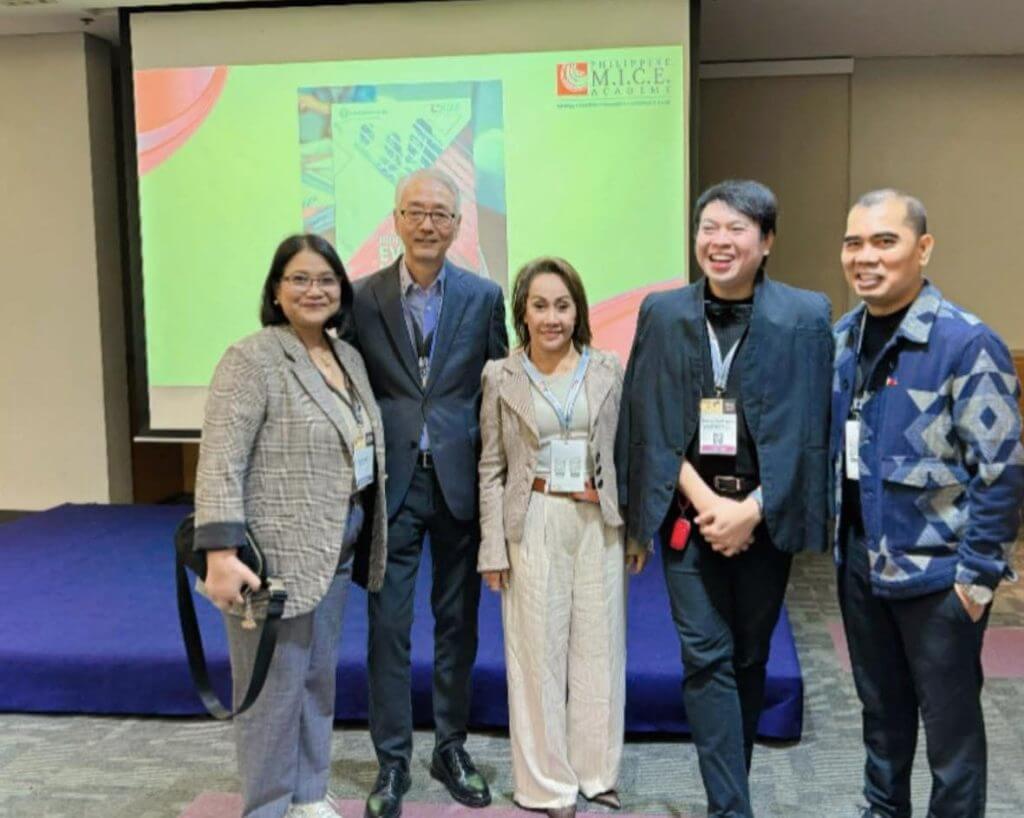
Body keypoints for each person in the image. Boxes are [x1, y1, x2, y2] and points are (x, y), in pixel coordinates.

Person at [615, 180, 833, 818]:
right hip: (691, 517)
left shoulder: (805, 315)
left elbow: (810, 429)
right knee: (705, 657)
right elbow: (647, 418)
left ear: (766, 242)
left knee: (749, 655)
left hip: (766, 515)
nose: (719, 241)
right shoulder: (663, 312)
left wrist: (752, 509)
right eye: (708, 228)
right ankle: (731, 810)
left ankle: (727, 801)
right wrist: (705, 500)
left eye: (737, 229)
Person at [832, 189, 1024, 818]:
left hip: (940, 580)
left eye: (884, 241)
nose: (866, 257)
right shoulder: (842, 340)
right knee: (881, 724)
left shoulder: (965, 344)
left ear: (923, 248)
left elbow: (1001, 473)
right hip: (861, 565)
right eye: (854, 243)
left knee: (951, 739)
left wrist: (975, 580)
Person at [194, 234, 388, 818]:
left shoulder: (346, 356)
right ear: (277, 291)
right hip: (269, 561)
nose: (314, 290)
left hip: (334, 545)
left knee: (314, 680)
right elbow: (221, 458)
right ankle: (269, 805)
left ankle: (307, 792)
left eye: (326, 279)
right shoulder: (251, 358)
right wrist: (220, 552)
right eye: (299, 279)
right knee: (270, 694)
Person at [350, 167, 508, 818]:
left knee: (458, 626)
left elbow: (498, 386)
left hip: (459, 483)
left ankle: (450, 747)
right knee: (388, 629)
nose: (427, 224)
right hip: (390, 487)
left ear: (458, 224)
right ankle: (390, 762)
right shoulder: (360, 298)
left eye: (441, 213)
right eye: (415, 211)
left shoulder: (482, 295)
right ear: (395, 220)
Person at [477, 257, 641, 818]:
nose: (552, 317)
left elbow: (624, 455)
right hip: (535, 519)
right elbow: (491, 468)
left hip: (597, 520)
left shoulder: (607, 369)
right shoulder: (501, 374)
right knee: (536, 656)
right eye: (540, 304)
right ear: (522, 309)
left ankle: (596, 774)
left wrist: (634, 528)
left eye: (563, 304)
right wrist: (492, 547)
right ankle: (547, 784)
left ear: (579, 309)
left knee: (601, 651)